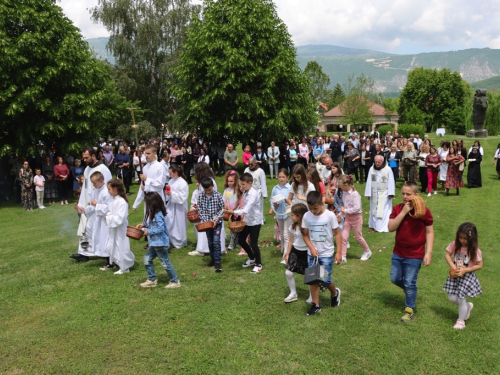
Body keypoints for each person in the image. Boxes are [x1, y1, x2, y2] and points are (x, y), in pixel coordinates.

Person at [388, 181, 434, 322]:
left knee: (410, 282)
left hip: (415, 254)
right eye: (403, 193)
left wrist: (429, 252)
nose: (405, 196)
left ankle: (409, 309)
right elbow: (391, 227)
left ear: (416, 195)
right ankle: (410, 291)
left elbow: (429, 232)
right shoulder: (398, 209)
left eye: (408, 194)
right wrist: (403, 212)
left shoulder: (424, 211)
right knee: (394, 278)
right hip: (398, 252)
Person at [301, 191, 342, 316]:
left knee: (325, 279)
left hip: (327, 253)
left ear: (322, 203)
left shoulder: (330, 216)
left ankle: (335, 293)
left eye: (315, 208)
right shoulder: (306, 216)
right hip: (312, 254)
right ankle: (316, 305)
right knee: (313, 279)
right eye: (310, 208)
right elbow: (305, 234)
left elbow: (337, 234)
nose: (313, 211)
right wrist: (311, 248)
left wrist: (339, 252)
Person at [72, 146, 112, 262]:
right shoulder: (87, 169)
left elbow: (108, 188)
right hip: (89, 205)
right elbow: (85, 189)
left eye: (86, 158)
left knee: (100, 230)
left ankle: (106, 253)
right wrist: (81, 205)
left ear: (93, 156)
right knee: (87, 229)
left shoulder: (103, 169)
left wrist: (101, 205)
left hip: (100, 205)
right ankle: (84, 253)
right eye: (83, 158)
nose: (84, 160)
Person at [443, 222, 482, 330]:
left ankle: (461, 321)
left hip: (467, 277)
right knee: (451, 297)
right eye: (460, 237)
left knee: (461, 299)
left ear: (472, 238)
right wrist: (453, 266)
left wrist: (466, 270)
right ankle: (467, 306)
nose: (462, 240)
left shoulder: (475, 250)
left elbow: (480, 265)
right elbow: (447, 254)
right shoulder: (455, 244)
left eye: (465, 238)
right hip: (455, 276)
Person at [138, 192, 181, 288]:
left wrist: (148, 232)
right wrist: (144, 225)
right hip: (154, 243)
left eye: (147, 203)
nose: (146, 205)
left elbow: (160, 228)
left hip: (160, 243)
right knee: (147, 259)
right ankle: (152, 280)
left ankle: (175, 281)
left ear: (152, 203)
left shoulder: (158, 214)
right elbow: (154, 225)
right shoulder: (154, 213)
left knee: (165, 262)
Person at [224, 173, 263, 273]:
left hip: (255, 221)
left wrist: (233, 212)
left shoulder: (253, 194)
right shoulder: (245, 191)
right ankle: (252, 258)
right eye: (240, 184)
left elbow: (246, 209)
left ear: (250, 183)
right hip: (247, 220)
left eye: (243, 185)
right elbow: (237, 201)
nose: (241, 187)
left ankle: (259, 264)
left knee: (253, 243)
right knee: (241, 240)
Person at [82, 171, 113, 270]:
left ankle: (111, 262)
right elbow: (92, 205)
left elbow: (109, 207)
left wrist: (96, 205)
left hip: (105, 220)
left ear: (101, 181)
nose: (93, 185)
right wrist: (84, 210)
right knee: (101, 240)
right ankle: (108, 261)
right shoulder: (96, 191)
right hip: (98, 219)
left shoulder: (107, 192)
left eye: (94, 183)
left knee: (107, 240)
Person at [337, 175, 371, 263]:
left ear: (346, 184)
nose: (339, 186)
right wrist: (341, 213)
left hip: (356, 219)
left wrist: (345, 210)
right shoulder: (344, 193)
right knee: (344, 237)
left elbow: (357, 208)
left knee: (358, 237)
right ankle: (343, 256)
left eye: (340, 185)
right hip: (348, 218)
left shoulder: (355, 195)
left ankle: (367, 251)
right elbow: (345, 206)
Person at [105, 178, 135, 274]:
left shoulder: (121, 202)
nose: (108, 191)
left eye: (109, 189)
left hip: (120, 228)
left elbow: (120, 218)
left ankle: (125, 267)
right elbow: (110, 211)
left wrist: (108, 218)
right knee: (112, 244)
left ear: (115, 189)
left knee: (121, 245)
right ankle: (119, 262)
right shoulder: (114, 200)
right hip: (114, 228)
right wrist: (108, 216)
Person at [283, 204, 311, 303]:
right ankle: (293, 293)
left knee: (309, 275)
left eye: (293, 215)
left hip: (307, 253)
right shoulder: (293, 226)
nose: (291, 216)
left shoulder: (308, 226)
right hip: (295, 251)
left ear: (300, 216)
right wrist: (287, 254)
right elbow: (291, 240)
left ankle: (312, 295)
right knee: (288, 272)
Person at [198, 177, 225, 272]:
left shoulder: (218, 195)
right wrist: (206, 220)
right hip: (207, 223)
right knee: (210, 241)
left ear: (213, 186)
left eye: (209, 189)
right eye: (206, 190)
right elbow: (200, 210)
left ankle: (217, 261)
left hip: (217, 223)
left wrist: (215, 220)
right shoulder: (201, 196)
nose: (208, 192)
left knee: (216, 241)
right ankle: (213, 258)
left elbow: (222, 210)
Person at [132, 144, 166, 217]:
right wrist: (136, 204)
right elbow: (142, 187)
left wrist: (147, 179)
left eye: (148, 153)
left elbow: (160, 185)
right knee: (148, 220)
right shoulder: (145, 168)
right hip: (148, 200)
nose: (146, 155)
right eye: (145, 153)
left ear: (154, 153)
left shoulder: (160, 167)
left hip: (157, 199)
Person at [364, 155, 395, 233]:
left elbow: (391, 181)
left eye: (379, 162)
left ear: (383, 162)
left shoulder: (388, 169)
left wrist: (391, 193)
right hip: (374, 192)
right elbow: (369, 181)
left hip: (384, 193)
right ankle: (374, 225)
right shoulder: (372, 169)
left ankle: (381, 227)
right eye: (376, 162)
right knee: (374, 209)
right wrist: (368, 193)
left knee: (382, 210)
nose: (377, 163)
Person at [268, 168, 292, 262]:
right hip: (279, 213)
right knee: (281, 234)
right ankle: (283, 250)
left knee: (286, 234)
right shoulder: (275, 188)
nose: (281, 179)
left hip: (288, 214)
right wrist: (274, 205)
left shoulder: (290, 188)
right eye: (280, 177)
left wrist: (287, 201)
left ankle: (286, 256)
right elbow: (271, 200)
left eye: (283, 177)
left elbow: (292, 201)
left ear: (287, 177)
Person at [165, 164, 189, 248]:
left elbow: (182, 196)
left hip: (180, 206)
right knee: (169, 221)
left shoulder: (182, 182)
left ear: (175, 172)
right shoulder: (171, 181)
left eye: (170, 173)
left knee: (179, 223)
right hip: (171, 204)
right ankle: (171, 240)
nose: (169, 175)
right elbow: (169, 191)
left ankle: (180, 242)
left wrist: (172, 193)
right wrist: (168, 194)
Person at [222, 170, 244, 253]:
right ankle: (236, 242)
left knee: (236, 227)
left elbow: (237, 202)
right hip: (230, 212)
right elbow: (225, 199)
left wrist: (233, 209)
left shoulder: (237, 190)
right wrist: (226, 205)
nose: (229, 183)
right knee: (233, 227)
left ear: (235, 181)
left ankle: (233, 243)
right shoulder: (227, 190)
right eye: (228, 181)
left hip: (236, 212)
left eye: (231, 181)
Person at [244, 157, 267, 224]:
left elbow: (263, 182)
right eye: (249, 164)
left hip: (257, 192)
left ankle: (260, 219)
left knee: (259, 207)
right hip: (248, 192)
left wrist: (264, 193)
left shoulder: (260, 171)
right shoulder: (246, 170)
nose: (250, 166)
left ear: (256, 163)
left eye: (252, 164)